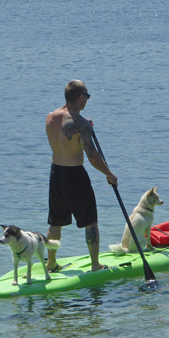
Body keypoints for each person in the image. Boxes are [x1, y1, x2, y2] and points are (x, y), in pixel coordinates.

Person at [46, 80, 118, 272]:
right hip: (74, 175)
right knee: (90, 221)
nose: (87, 100)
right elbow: (92, 155)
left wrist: (86, 126)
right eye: (87, 97)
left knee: (56, 222)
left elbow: (66, 137)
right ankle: (95, 265)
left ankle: (51, 263)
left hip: (56, 173)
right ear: (80, 97)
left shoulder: (50, 117)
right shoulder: (81, 124)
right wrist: (109, 174)